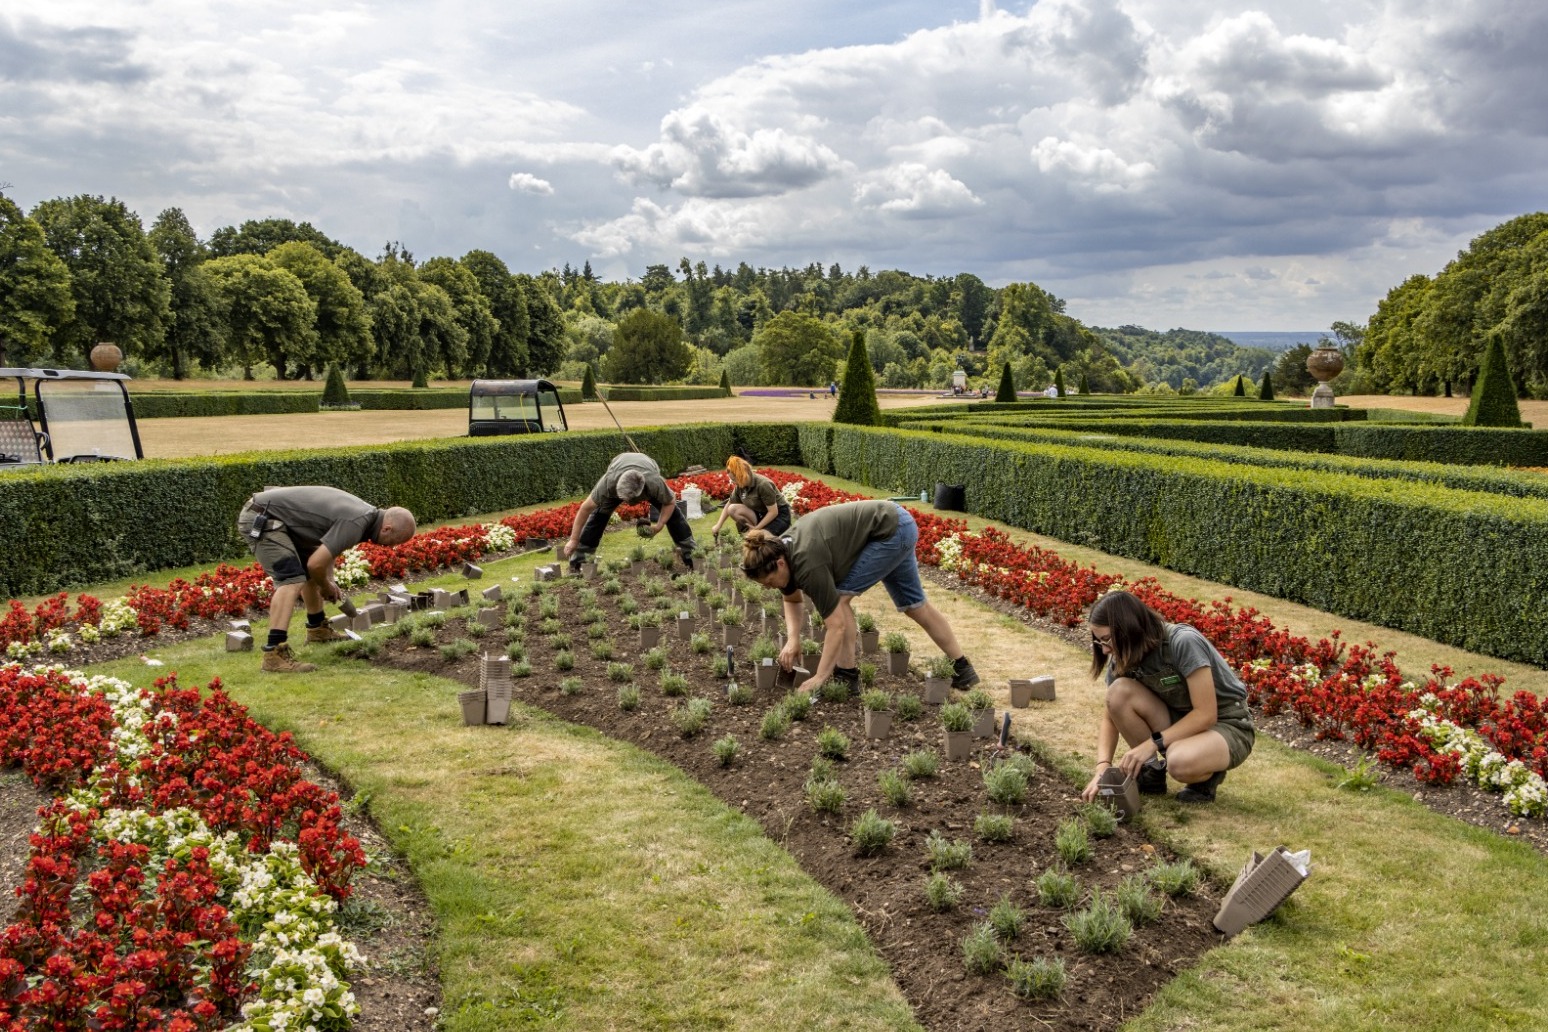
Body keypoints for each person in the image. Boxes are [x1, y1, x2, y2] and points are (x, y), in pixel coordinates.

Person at [740, 498, 978, 695]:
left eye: (769, 582)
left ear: (780, 564)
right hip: (897, 523)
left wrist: (820, 677)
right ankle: (963, 668)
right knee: (915, 606)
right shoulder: (779, 551)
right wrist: (793, 640)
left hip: (890, 530)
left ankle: (847, 675)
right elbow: (791, 599)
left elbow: (836, 626)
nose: (770, 588)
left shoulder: (806, 563)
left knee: (840, 600)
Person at [1079, 590, 1255, 804]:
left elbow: (1206, 715)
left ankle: (1205, 778)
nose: (1105, 650)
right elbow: (1111, 714)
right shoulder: (1124, 655)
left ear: (1129, 628)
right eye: (1099, 642)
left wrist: (1151, 744)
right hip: (1181, 718)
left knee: (1179, 762)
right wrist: (1103, 767)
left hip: (1227, 723)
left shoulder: (1182, 642)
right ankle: (1150, 774)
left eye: (1107, 639)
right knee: (1118, 692)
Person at [237, 487, 416, 673]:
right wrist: (325, 586)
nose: (391, 547)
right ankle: (273, 654)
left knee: (312, 573)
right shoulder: (356, 522)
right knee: (291, 580)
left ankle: (317, 630)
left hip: (277, 517)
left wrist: (329, 580)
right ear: (386, 529)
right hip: (262, 517)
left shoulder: (365, 517)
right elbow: (315, 565)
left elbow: (325, 549)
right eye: (394, 541)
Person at [564, 451, 696, 571]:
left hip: (647, 469)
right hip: (618, 471)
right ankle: (579, 564)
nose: (628, 504)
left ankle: (693, 557)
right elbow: (585, 509)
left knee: (674, 516)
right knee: (597, 519)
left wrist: (659, 526)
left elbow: (670, 502)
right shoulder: (608, 483)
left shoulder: (654, 482)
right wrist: (574, 540)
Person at [710, 456, 791, 540]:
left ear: (742, 475)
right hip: (760, 514)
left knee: (763, 539)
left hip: (779, 515)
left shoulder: (763, 484)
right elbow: (729, 504)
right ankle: (751, 533)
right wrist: (718, 525)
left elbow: (773, 512)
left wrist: (756, 529)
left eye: (734, 479)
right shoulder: (740, 486)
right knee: (732, 509)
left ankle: (760, 534)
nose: (733, 482)